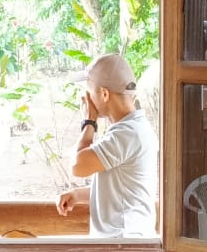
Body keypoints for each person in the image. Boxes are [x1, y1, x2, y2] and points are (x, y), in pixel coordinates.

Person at [56, 53, 158, 238]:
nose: (86, 98)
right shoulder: (133, 128)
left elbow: (77, 166)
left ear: (104, 94)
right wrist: (78, 195)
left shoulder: (127, 133)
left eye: (89, 91)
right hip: (124, 241)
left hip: (123, 243)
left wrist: (89, 121)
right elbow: (121, 192)